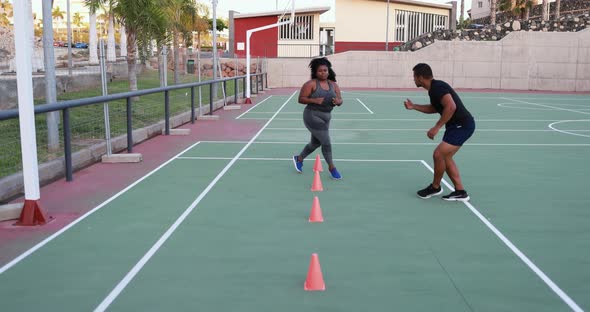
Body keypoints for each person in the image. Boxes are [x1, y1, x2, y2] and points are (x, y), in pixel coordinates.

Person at [404, 63, 475, 201]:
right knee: (445, 157)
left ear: (420, 77)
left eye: (414, 76)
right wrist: (414, 106)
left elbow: (451, 107)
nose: (413, 79)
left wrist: (436, 127)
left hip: (462, 125)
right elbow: (434, 108)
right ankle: (460, 191)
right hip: (455, 126)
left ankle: (435, 187)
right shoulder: (433, 89)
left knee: (438, 155)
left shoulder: (438, 87)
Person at [293, 57, 343, 180]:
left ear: (328, 71)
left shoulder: (334, 85)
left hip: (326, 117)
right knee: (326, 141)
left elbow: (340, 100)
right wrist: (314, 100)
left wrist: (338, 101)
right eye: (320, 71)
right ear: (315, 72)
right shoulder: (310, 84)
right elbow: (301, 99)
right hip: (312, 115)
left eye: (325, 70)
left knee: (315, 143)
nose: (323, 73)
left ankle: (299, 159)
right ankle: (332, 167)